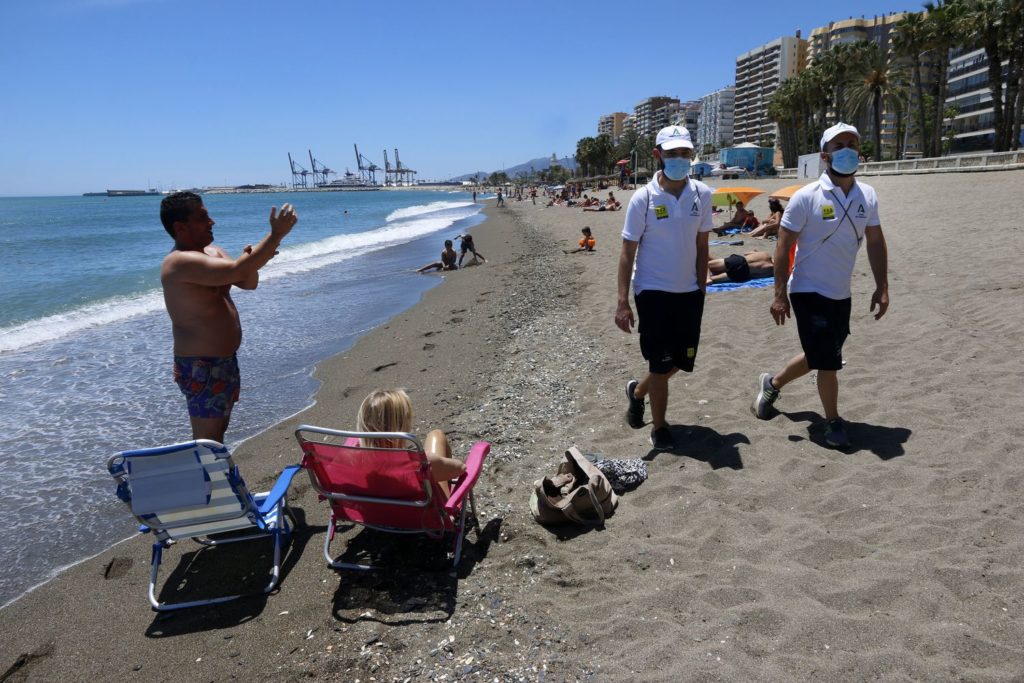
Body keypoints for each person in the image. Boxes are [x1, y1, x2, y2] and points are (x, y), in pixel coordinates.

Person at [752, 122, 889, 449]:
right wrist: (779, 294)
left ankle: (772, 384)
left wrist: (882, 285)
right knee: (829, 361)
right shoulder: (806, 197)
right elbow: (783, 247)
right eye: (840, 144)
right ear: (826, 155)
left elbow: (875, 242)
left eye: (853, 143)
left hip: (841, 293)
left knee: (821, 354)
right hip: (807, 291)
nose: (848, 149)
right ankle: (833, 422)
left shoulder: (867, 195)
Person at [160, 191, 297, 443]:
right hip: (201, 365)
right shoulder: (178, 263)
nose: (212, 222)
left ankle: (220, 480)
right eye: (202, 217)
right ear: (180, 227)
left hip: (224, 361)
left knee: (218, 431)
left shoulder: (213, 252)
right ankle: (208, 481)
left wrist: (256, 258)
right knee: (206, 439)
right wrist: (275, 236)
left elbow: (247, 280)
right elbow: (239, 269)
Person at [615, 125, 713, 451]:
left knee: (678, 363)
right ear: (658, 155)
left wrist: (701, 288)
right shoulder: (642, 199)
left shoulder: (702, 194)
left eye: (685, 153)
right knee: (660, 363)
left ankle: (638, 392)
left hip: (689, 293)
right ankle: (659, 427)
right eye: (672, 153)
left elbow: (702, 246)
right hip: (653, 291)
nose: (680, 159)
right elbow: (628, 251)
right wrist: (622, 302)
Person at [357, 389, 466, 494]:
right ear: (401, 425)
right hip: (423, 511)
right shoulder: (416, 462)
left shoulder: (351, 460)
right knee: (436, 435)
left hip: (377, 511)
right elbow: (460, 468)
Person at [706, 250, 774, 284]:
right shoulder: (772, 270)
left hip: (738, 261)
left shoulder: (765, 254)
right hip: (743, 273)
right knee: (711, 280)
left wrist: (755, 252)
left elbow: (746, 253)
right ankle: (708, 278)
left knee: (705, 265)